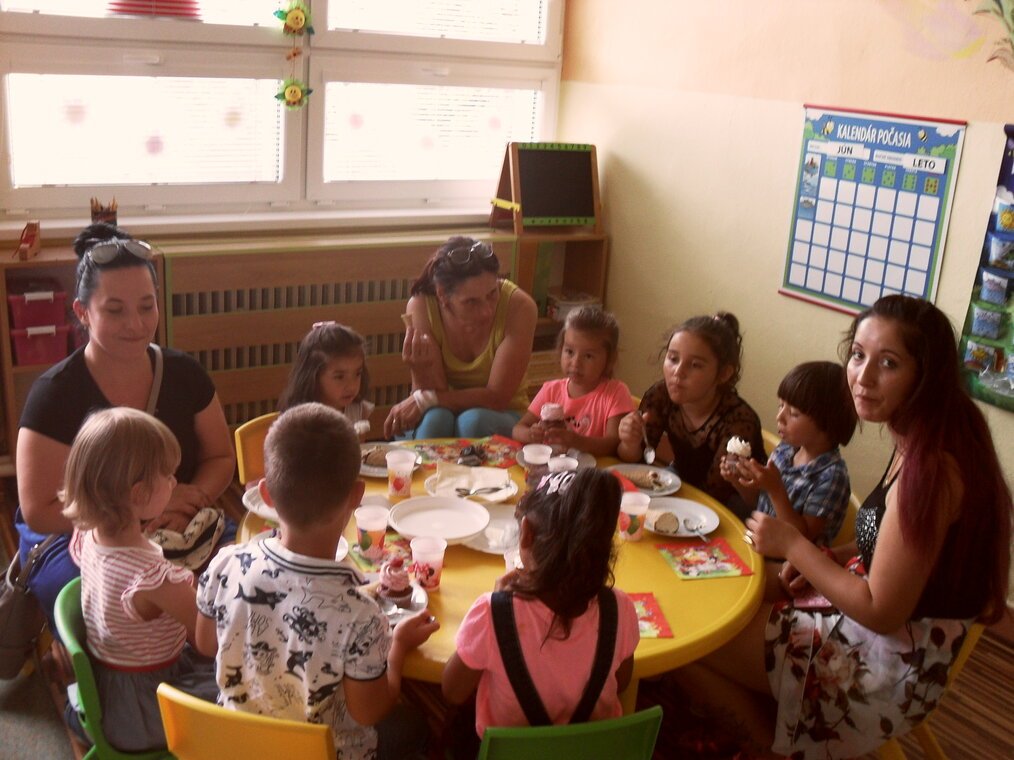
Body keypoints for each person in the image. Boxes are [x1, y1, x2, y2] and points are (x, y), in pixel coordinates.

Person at [676, 295, 1012, 759]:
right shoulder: (920, 436)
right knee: (723, 589)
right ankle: (776, 718)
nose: (863, 376)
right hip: (879, 630)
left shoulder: (931, 470)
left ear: (926, 375)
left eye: (888, 363)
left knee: (693, 636)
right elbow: (888, 543)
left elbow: (880, 610)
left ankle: (768, 746)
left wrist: (795, 546)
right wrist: (829, 557)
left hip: (885, 667)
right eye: (857, 355)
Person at [15, 222, 235, 621]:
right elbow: (39, 510)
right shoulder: (54, 393)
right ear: (82, 312)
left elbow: (219, 457)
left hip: (175, 516)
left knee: (239, 570)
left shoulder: (184, 373)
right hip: (83, 533)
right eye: (115, 310)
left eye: (146, 307)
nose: (135, 324)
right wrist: (139, 512)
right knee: (97, 598)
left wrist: (189, 499)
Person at [195, 403, 439, 760]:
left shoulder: (225, 563)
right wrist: (398, 647)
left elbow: (205, 643)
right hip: (325, 754)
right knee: (415, 725)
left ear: (266, 495)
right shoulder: (362, 616)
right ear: (356, 497)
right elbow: (369, 712)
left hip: (239, 748)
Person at [442, 469, 640, 754]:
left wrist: (499, 603)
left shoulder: (492, 613)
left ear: (526, 533)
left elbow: (452, 691)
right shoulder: (620, 609)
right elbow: (621, 682)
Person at [63, 408, 216, 752]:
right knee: (246, 693)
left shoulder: (87, 536)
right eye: (168, 476)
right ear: (138, 494)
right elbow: (209, 641)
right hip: (143, 709)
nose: (174, 483)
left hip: (108, 684)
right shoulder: (153, 579)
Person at [383, 236, 537, 440]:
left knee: (472, 422)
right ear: (442, 295)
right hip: (443, 409)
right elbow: (434, 391)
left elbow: (497, 398)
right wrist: (419, 371)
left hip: (502, 413)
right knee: (436, 420)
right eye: (471, 302)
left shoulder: (520, 307)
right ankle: (425, 462)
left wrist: (426, 399)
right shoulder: (422, 307)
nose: (487, 311)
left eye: (492, 294)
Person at [617, 312, 765, 515]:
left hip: (733, 503)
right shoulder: (660, 395)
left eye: (695, 365)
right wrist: (629, 443)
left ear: (723, 374)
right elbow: (638, 462)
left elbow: (717, 492)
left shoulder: (739, 420)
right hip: (682, 480)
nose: (678, 372)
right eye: (673, 358)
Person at [719, 361, 856, 548]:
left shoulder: (832, 477)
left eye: (793, 413)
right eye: (780, 406)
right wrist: (738, 481)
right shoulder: (785, 450)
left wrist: (776, 489)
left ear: (827, 422)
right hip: (756, 544)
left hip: (788, 563)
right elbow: (761, 505)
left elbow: (802, 540)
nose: (780, 417)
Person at [512, 306, 635, 456]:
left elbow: (613, 444)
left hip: (596, 469)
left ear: (610, 359)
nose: (576, 363)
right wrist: (531, 434)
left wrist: (576, 441)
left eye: (588, 356)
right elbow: (518, 429)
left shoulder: (616, 393)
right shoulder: (551, 390)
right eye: (569, 352)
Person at [279, 320, 374, 439]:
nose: (352, 386)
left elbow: (359, 449)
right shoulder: (299, 419)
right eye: (339, 377)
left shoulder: (359, 411)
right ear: (313, 376)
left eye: (357, 374)